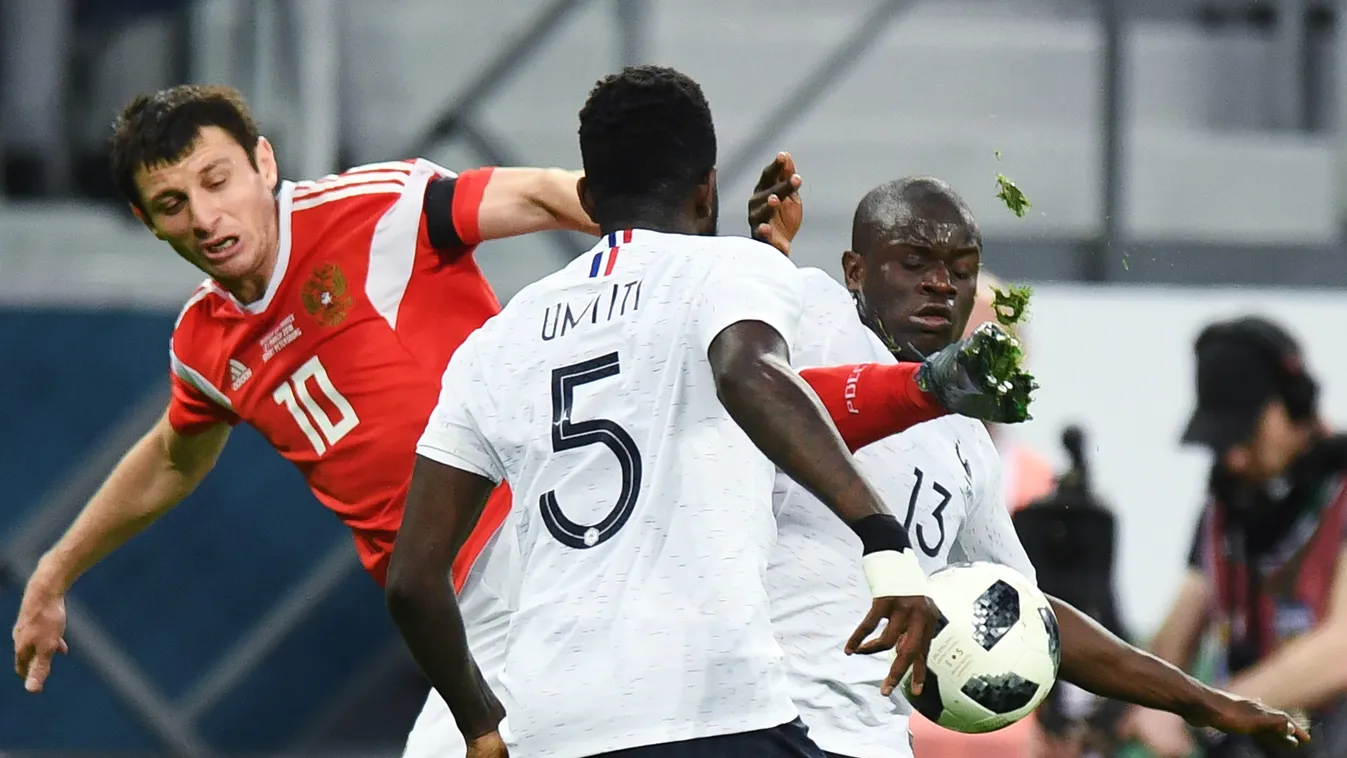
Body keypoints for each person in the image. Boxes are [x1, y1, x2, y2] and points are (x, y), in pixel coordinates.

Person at [384, 65, 1038, 758]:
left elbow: (413, 582)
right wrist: (879, 535)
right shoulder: (731, 276)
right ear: (707, 189)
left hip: (547, 723)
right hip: (708, 709)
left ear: (584, 195)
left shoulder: (495, 342)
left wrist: (479, 723)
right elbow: (748, 374)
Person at [10, 82, 601, 694]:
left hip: (538, 538)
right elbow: (170, 458)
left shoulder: (377, 210)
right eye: (172, 203)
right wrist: (55, 572)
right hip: (452, 611)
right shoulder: (202, 344)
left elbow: (542, 196)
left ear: (263, 162)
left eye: (217, 181)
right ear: (147, 221)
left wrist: (669, 253)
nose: (206, 218)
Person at [747, 164, 1311, 758]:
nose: (941, 284)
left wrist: (1204, 701)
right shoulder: (809, 312)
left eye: (961, 272)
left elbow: (1031, 615)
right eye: (915, 264)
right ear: (854, 270)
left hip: (872, 741)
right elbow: (733, 362)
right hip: (761, 719)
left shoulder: (967, 447)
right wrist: (763, 260)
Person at [1122, 316, 1347, 758]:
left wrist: (1210, 709)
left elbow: (1340, 650)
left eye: (1246, 434)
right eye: (1223, 441)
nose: (1235, 458)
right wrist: (1133, 699)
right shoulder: (1227, 506)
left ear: (1294, 406)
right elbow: (1182, 624)